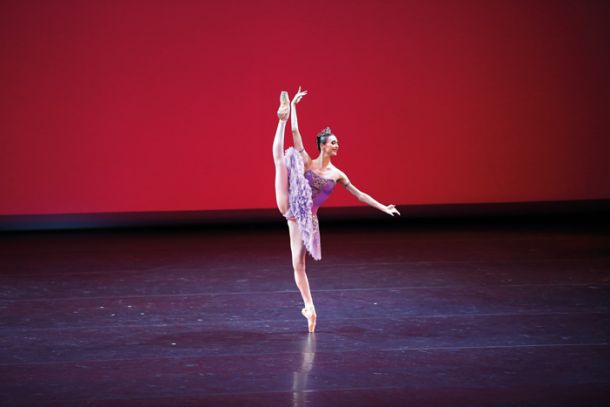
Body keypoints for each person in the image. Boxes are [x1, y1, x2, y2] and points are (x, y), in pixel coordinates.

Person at [272, 87, 400, 333]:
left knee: (298, 267)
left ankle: (310, 308)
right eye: (333, 142)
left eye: (337, 143)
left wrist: (383, 207)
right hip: (290, 204)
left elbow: (359, 194)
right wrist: (294, 109)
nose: (337, 145)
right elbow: (297, 133)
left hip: (304, 220)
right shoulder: (309, 161)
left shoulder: (338, 174)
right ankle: (281, 118)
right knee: (280, 159)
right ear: (323, 146)